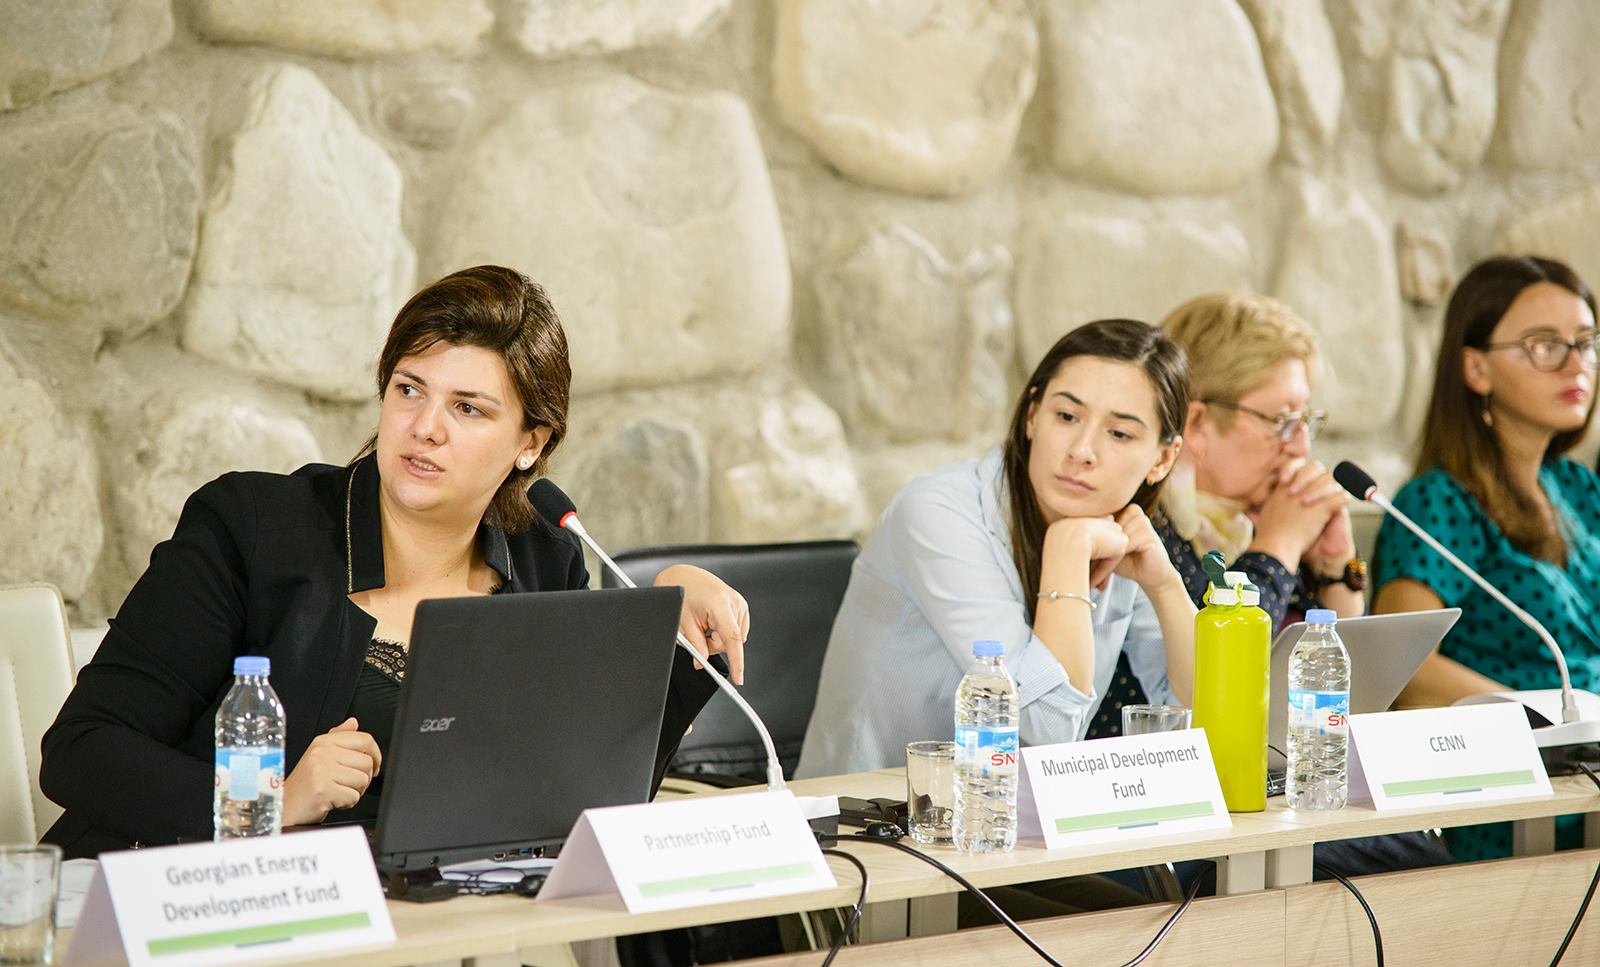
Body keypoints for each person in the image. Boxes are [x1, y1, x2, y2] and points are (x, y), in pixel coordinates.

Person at [39, 266, 751, 859]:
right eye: (409, 389)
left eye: (468, 409)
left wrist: (672, 632)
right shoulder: (252, 528)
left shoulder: (545, 560)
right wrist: (270, 801)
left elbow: (576, 798)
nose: (424, 427)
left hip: (415, 928)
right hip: (189, 908)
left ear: (530, 442)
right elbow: (81, 749)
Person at [797, 318, 1195, 780]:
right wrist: (1066, 552)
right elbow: (1044, 730)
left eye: (1119, 434)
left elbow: (1211, 716)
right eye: (1066, 417)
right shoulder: (938, 513)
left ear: (1163, 458)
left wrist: (1164, 585)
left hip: (1014, 812)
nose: (1082, 450)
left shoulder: (1117, 528)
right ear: (1032, 416)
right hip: (873, 812)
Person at [1373, 255, 1600, 861]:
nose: (1576, 364)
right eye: (1545, 346)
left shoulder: (1579, 489)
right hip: (1517, 800)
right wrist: (1554, 724)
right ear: (1476, 367)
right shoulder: (1439, 502)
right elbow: (1406, 672)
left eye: (1586, 343)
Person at [1088, 293, 1362, 740]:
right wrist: (1278, 548)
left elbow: (1343, 693)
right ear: (1196, 424)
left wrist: (1335, 570)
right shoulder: (1139, 523)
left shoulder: (1256, 518)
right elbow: (1221, 681)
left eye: (1306, 422)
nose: (1301, 446)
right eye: (1282, 421)